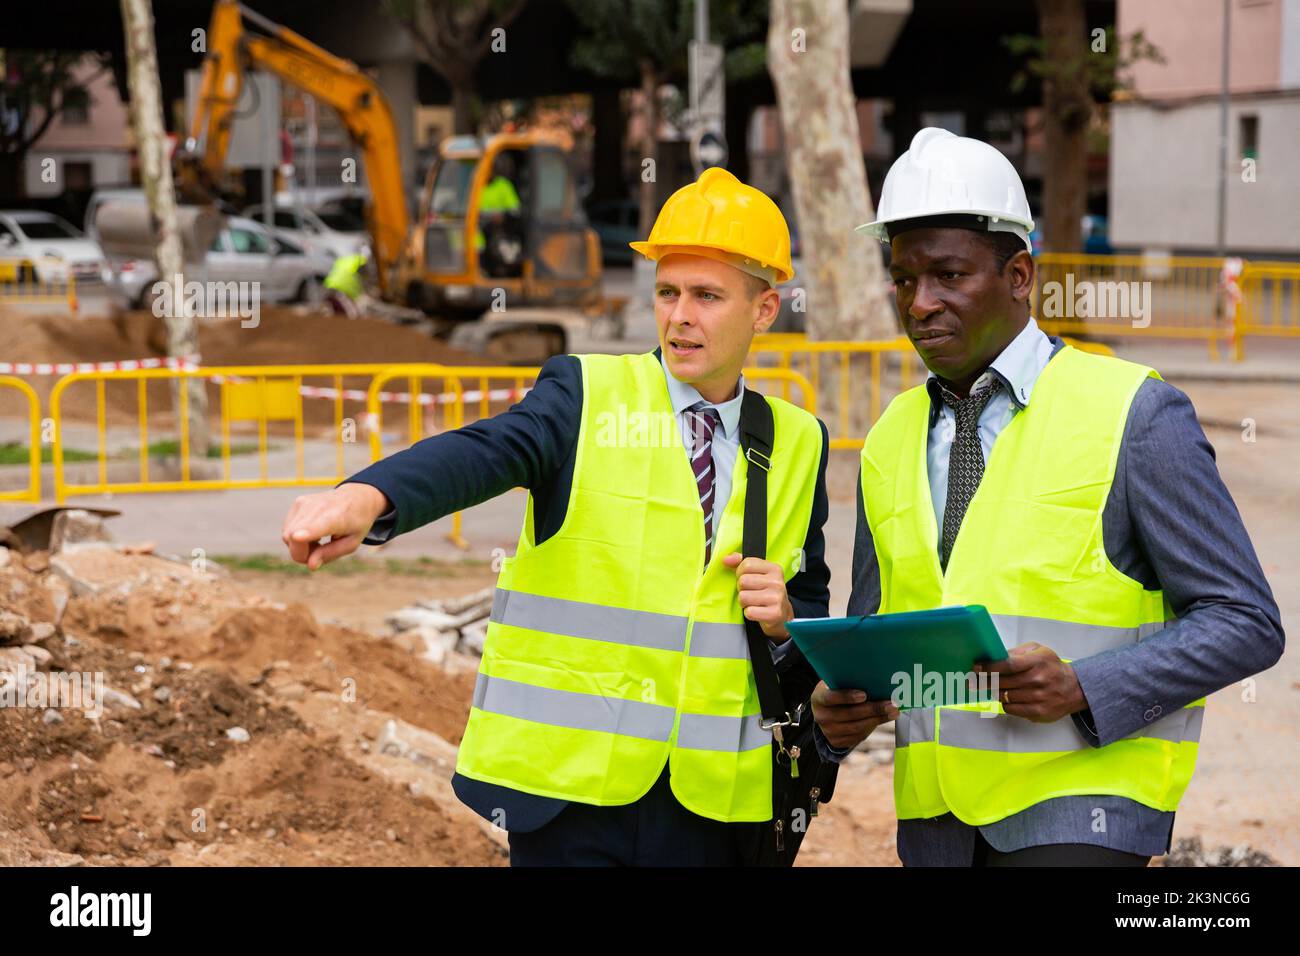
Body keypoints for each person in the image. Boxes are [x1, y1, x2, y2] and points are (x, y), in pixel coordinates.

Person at [281, 167, 834, 866]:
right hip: (573, 795)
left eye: (707, 295)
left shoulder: (799, 441)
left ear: (764, 309)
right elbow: (486, 451)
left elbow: (809, 604)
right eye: (667, 291)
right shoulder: (586, 395)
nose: (679, 316)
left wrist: (789, 623)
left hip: (715, 805)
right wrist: (370, 498)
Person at [811, 127, 1285, 866]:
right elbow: (882, 641)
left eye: (948, 276)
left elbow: (1246, 620)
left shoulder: (1134, 412)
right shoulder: (888, 438)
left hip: (1082, 809)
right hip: (936, 824)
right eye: (904, 280)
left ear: (1021, 275)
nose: (920, 304)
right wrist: (842, 709)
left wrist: (1085, 687)